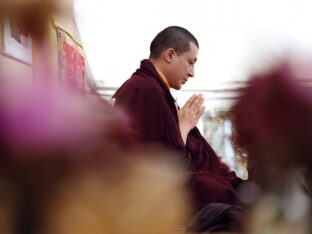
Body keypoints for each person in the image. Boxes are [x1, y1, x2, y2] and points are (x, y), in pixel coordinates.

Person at [113, 26, 244, 233]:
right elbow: (160, 165)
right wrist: (183, 127)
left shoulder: (156, 90)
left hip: (190, 184)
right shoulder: (144, 90)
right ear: (170, 55)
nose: (192, 73)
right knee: (236, 201)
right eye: (190, 62)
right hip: (167, 196)